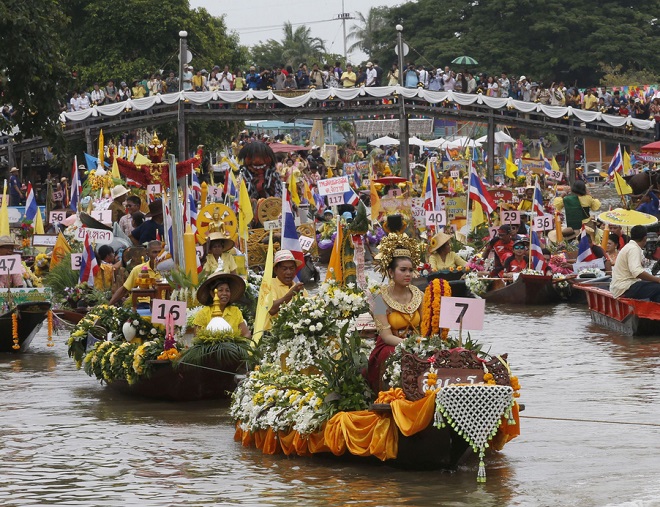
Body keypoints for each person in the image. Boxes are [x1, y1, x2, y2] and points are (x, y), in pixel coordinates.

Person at [366, 233, 423, 392]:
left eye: (411, 270)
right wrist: (411, 345)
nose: (408, 274)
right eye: (403, 270)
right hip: (391, 346)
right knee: (394, 355)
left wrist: (425, 344)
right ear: (391, 272)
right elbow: (386, 336)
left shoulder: (419, 295)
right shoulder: (379, 300)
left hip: (417, 344)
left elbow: (425, 327)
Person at [192, 269, 250, 338]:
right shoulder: (204, 314)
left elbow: (246, 334)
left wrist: (238, 346)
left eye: (227, 290)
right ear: (212, 294)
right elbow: (197, 338)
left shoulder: (235, 312)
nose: (224, 293)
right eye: (220, 290)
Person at [610, 225, 660, 302]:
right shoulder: (633, 249)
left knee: (654, 285)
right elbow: (637, 272)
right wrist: (657, 279)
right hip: (625, 287)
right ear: (645, 238)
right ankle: (656, 311)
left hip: (623, 286)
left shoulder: (630, 247)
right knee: (658, 286)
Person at [262, 250, 308, 333]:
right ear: (276, 270)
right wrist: (292, 293)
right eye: (284, 269)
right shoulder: (268, 284)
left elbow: (309, 306)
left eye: (292, 268)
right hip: (271, 333)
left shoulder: (299, 287)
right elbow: (271, 309)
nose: (289, 272)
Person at [108, 240, 164, 306]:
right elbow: (124, 289)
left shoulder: (169, 270)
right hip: (144, 305)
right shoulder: (138, 269)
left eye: (160, 252)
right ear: (147, 253)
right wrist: (108, 306)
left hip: (164, 305)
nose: (158, 255)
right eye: (154, 252)